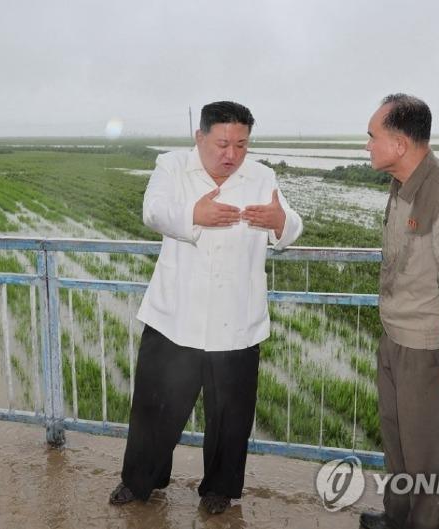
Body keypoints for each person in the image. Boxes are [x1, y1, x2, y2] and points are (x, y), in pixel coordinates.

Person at [108, 101, 303, 514]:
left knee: (230, 417)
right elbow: (153, 209)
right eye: (222, 144)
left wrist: (279, 219)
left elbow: (293, 224)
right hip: (174, 316)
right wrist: (194, 213)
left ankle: (219, 489)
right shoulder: (173, 166)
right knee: (154, 408)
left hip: (237, 322)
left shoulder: (261, 176)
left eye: (241, 145)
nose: (231, 154)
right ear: (200, 137)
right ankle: (140, 480)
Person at [360, 94, 439, 529]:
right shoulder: (402, 185)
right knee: (398, 449)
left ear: (398, 144)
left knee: (430, 461)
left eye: (372, 137)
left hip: (428, 351)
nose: (368, 145)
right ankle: (398, 520)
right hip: (395, 338)